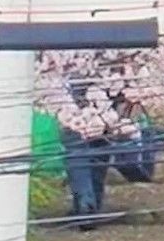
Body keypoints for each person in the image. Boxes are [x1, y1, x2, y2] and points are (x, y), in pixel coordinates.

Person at [55, 59, 133, 227]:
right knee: (99, 152)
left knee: (77, 151)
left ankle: (85, 203)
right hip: (110, 89)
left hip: (77, 92)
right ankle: (92, 204)